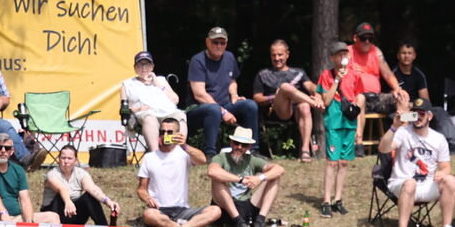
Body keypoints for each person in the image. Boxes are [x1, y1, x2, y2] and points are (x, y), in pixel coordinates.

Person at [0, 133, 77, 227]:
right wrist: (3, 213)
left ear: (12, 151)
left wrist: (29, 222)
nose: (3, 151)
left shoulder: (18, 170)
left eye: (7, 148)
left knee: (52, 216)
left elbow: (25, 199)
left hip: (15, 219)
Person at [378, 97, 455, 227]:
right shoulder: (403, 132)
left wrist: (442, 173)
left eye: (422, 114)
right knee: (410, 183)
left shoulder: (439, 138)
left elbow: (446, 166)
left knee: (451, 181)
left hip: (427, 184)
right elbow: (383, 148)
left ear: (430, 116)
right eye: (414, 114)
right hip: (401, 183)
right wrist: (394, 127)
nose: (418, 118)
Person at [137, 116, 220, 227]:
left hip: (183, 209)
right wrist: (148, 199)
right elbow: (141, 189)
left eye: (170, 132)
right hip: (160, 210)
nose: (165, 135)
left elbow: (202, 160)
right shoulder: (149, 157)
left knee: (215, 210)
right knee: (149, 215)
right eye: (162, 132)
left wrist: (184, 145)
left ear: (178, 134)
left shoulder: (183, 153)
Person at [186, 27, 259, 156]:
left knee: (250, 105)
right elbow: (199, 94)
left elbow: (232, 81)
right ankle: (210, 154)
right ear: (207, 42)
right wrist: (223, 111)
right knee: (214, 109)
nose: (219, 46)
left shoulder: (229, 57)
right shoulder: (197, 61)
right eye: (215, 42)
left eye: (222, 43)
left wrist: (234, 95)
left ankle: (252, 149)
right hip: (199, 108)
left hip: (225, 104)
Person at [252, 39, 324, 162]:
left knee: (305, 107)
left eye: (280, 54)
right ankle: (315, 105)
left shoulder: (298, 72)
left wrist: (317, 94)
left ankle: (305, 150)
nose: (276, 58)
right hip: (276, 110)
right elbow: (256, 97)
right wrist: (274, 97)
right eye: (273, 55)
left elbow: (311, 86)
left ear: (287, 54)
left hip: (296, 110)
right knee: (285, 87)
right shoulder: (263, 74)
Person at [42, 144, 121, 227]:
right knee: (58, 197)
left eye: (69, 158)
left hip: (74, 215)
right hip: (55, 214)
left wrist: (108, 202)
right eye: (63, 158)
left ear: (75, 161)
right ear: (58, 159)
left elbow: (92, 188)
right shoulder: (52, 174)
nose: (66, 161)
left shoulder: (81, 173)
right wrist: (68, 201)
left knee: (89, 196)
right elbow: (61, 189)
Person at [208, 127, 284, 227]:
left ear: (249, 147)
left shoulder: (252, 160)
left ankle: (260, 221)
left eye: (244, 145)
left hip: (246, 205)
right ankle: (237, 221)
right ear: (231, 143)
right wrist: (240, 179)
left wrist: (259, 178)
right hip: (225, 206)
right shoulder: (221, 157)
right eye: (236, 143)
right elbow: (212, 172)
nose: (239, 147)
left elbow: (279, 169)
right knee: (217, 180)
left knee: (274, 177)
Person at [316, 41, 361, 218]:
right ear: (332, 58)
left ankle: (338, 199)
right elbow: (325, 101)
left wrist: (360, 129)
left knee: (343, 162)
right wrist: (337, 79)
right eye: (339, 55)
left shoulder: (356, 76)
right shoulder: (326, 75)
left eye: (345, 54)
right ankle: (326, 201)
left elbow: (358, 99)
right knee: (331, 162)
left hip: (349, 122)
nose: (343, 57)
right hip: (334, 122)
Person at [348, 22, 410, 148]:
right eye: (363, 38)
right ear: (355, 38)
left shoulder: (376, 51)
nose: (367, 42)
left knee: (403, 98)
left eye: (370, 38)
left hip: (376, 97)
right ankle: (358, 143)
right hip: (356, 99)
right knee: (360, 98)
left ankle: (405, 140)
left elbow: (387, 73)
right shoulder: (348, 52)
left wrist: (397, 88)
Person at [120, 50, 186, 152]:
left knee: (179, 117)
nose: (143, 68)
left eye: (147, 64)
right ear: (135, 68)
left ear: (152, 67)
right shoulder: (128, 84)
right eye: (140, 65)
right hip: (145, 114)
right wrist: (137, 109)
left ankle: (176, 151)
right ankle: (156, 155)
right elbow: (123, 110)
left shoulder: (160, 80)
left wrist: (158, 84)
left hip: (167, 112)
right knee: (150, 119)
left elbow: (175, 100)